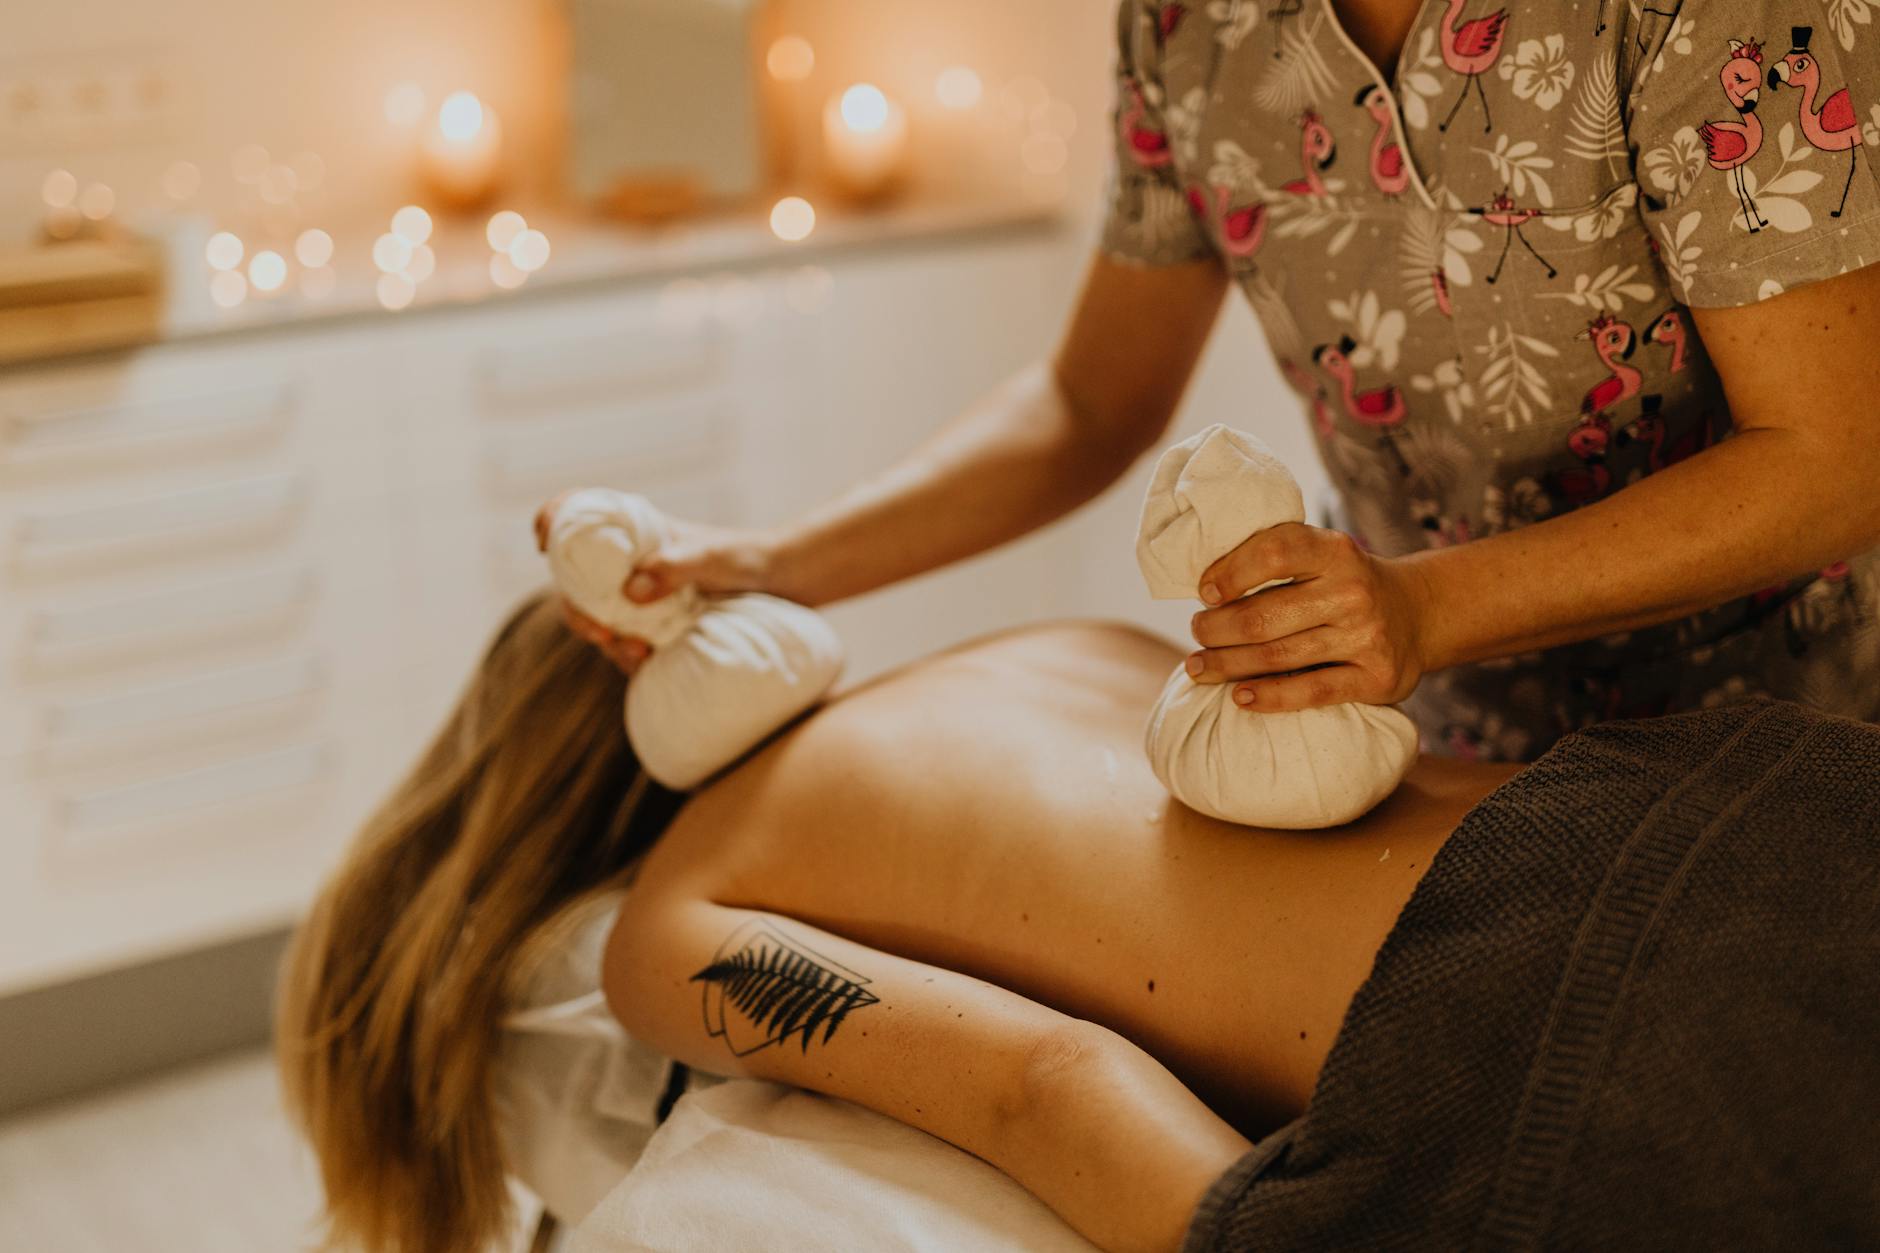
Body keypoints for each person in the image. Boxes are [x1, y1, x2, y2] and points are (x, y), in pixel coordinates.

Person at [276, 594, 1880, 1253]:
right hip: (1733, 794)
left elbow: (1035, 1078)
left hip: (1559, 1024)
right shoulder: (1036, 642)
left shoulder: (673, 919)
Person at [544, 0, 1880, 763]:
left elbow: (1831, 458)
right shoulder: (1191, 27)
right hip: (1429, 755)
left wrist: (1423, 605)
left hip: (1792, 750)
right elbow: (1089, 404)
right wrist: (776, 567)